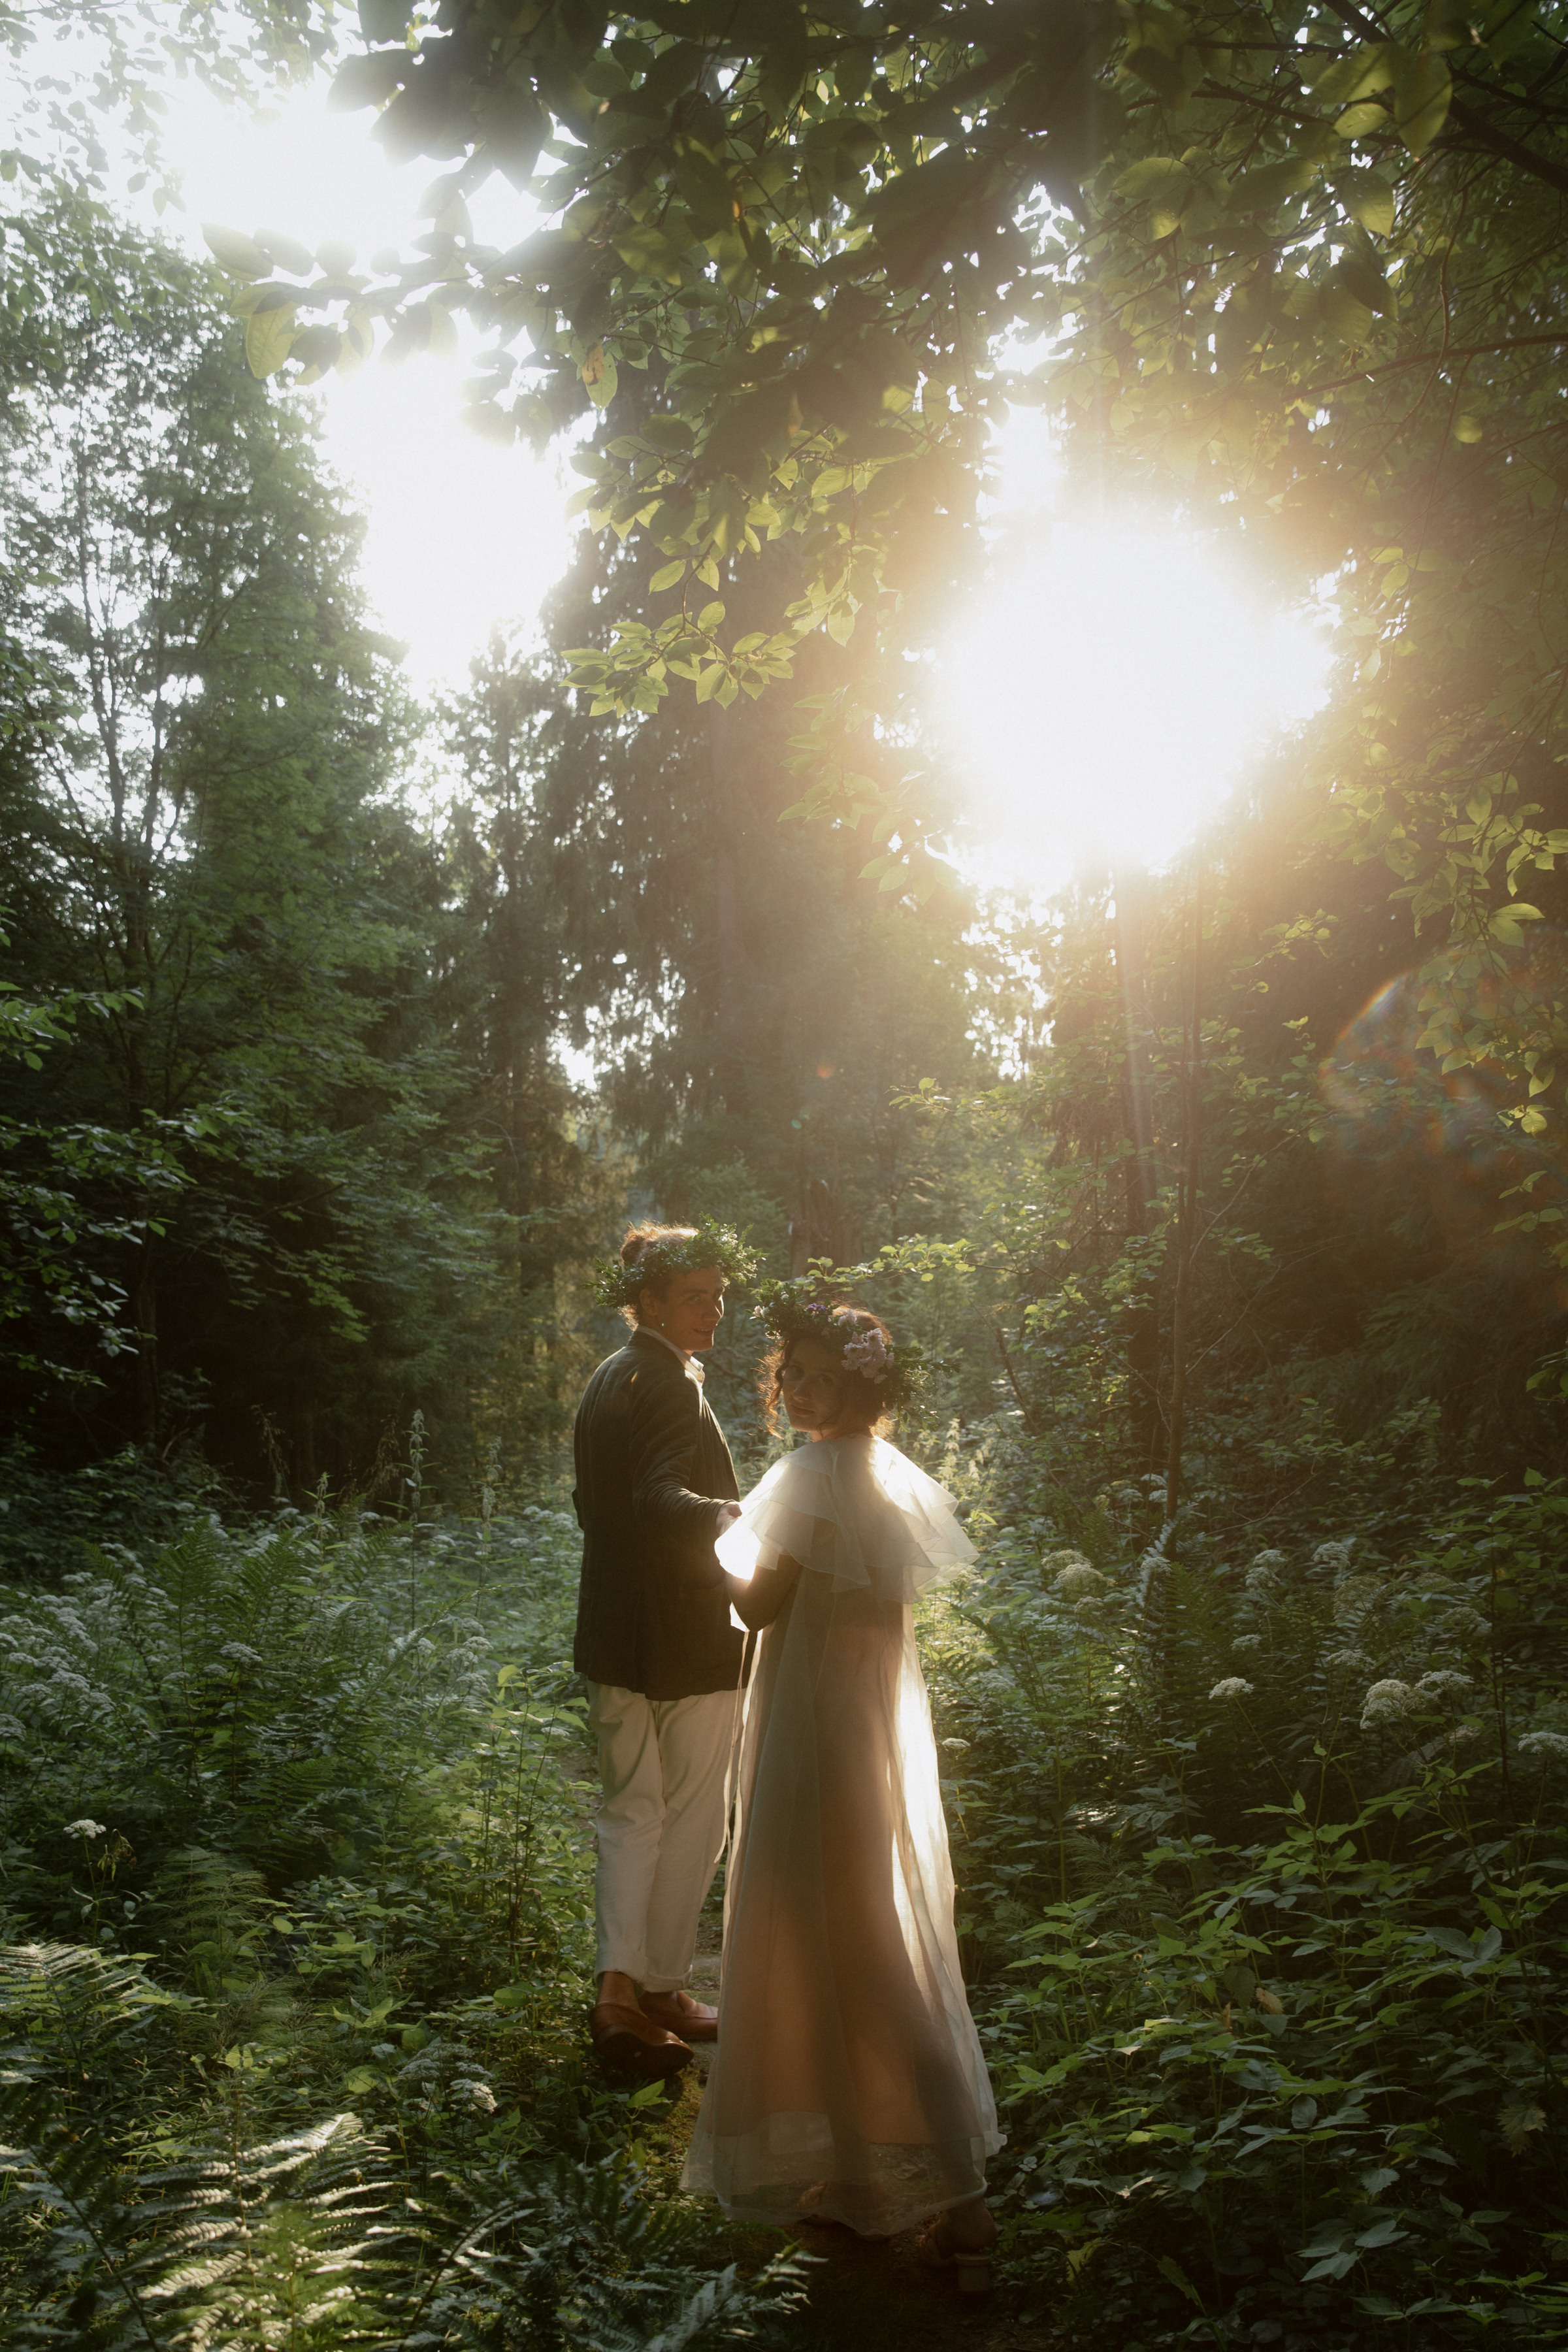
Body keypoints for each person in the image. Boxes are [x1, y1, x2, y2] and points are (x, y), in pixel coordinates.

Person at [682, 1293, 1002, 2291]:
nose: (801, 1388)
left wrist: (717, 1547)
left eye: (821, 1373)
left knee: (836, 1933)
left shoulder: (813, 1475)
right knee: (856, 1932)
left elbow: (763, 1601)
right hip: (864, 1731)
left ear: (863, 1384)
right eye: (794, 1372)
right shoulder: (884, 1476)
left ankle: (962, 2199)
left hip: (813, 1738)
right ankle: (859, 2177)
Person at [572, 1220, 758, 2083]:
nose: (712, 1313)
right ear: (643, 1301)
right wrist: (733, 1520)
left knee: (627, 1813)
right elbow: (657, 1497)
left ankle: (619, 1995)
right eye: (694, 1298)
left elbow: (596, 1505)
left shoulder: (606, 1380)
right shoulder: (667, 1385)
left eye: (718, 1298)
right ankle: (663, 1987)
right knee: (692, 1815)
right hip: (683, 1637)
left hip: (613, 1634)